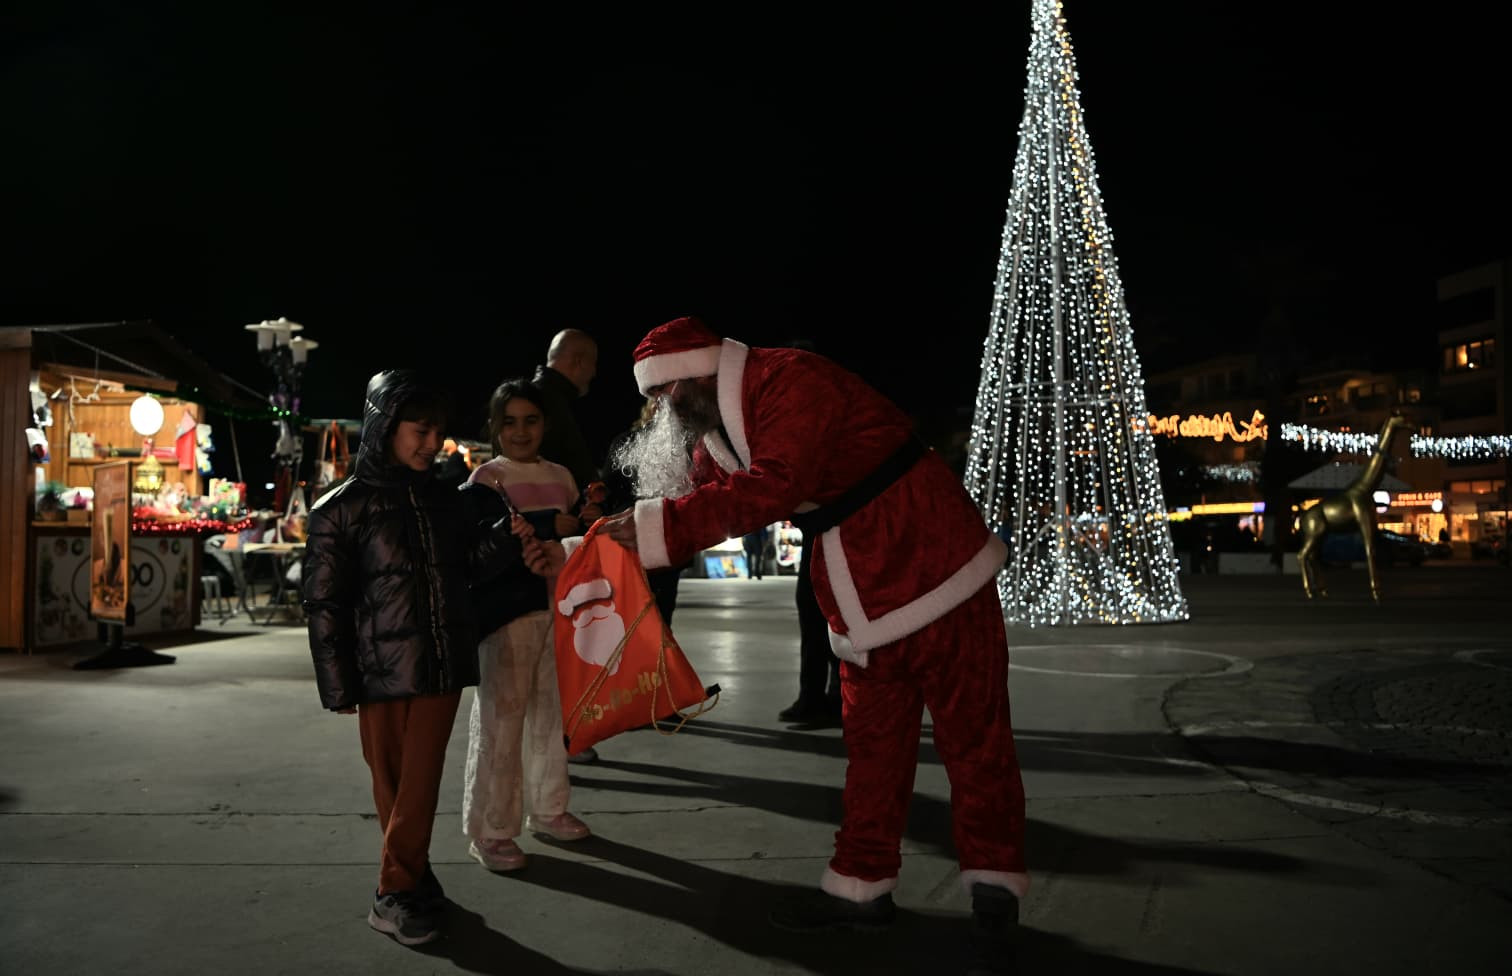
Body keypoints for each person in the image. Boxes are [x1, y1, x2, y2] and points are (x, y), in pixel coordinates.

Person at [601, 316, 1027, 975]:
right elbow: (705, 500)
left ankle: (995, 890)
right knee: (873, 750)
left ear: (696, 376)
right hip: (860, 587)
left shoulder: (792, 381)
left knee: (974, 740)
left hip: (936, 561)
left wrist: (658, 527)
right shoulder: (717, 427)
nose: (659, 408)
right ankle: (861, 886)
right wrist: (606, 532)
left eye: (663, 393)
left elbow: (776, 484)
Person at [303, 369, 562, 948]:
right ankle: (413, 878)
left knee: (417, 784)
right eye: (419, 431)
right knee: (394, 787)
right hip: (378, 672)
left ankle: (393, 890)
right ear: (385, 427)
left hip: (439, 664)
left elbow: (464, 570)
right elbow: (324, 603)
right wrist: (337, 684)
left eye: (436, 431)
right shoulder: (338, 509)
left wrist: (502, 541)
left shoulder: (444, 499)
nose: (431, 443)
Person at [458, 379, 593, 872]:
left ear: (545, 425)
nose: (520, 431)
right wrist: (545, 527)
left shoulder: (562, 476)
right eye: (509, 421)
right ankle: (491, 831)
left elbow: (577, 537)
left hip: (560, 613)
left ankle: (550, 809)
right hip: (507, 619)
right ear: (495, 427)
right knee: (501, 723)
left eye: (530, 420)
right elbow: (478, 552)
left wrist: (585, 519)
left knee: (553, 718)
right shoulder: (484, 479)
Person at [602, 397, 687, 626]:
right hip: (632, 540)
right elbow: (606, 489)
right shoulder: (627, 442)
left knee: (653, 615)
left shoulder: (681, 443)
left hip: (660, 543)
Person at [532, 327, 600, 492]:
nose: (594, 373)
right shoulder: (552, 404)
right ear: (579, 361)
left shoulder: (537, 398)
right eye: (593, 363)